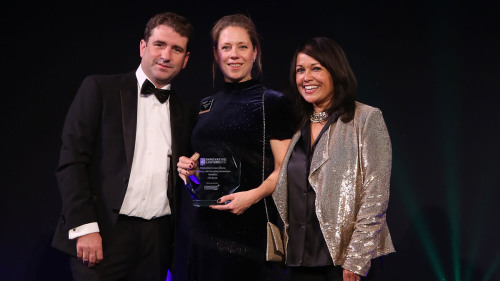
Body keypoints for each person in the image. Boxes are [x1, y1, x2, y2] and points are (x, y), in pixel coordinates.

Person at [52, 12, 196, 281]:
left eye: (176, 49)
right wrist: (85, 227)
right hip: (103, 234)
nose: (166, 55)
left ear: (185, 60)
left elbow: (188, 175)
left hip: (157, 242)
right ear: (143, 46)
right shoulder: (100, 89)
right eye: (159, 45)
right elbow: (72, 162)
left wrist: (195, 172)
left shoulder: (186, 112)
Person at [177, 14, 294, 281]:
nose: (234, 55)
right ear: (216, 54)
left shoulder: (272, 102)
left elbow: (284, 169)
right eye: (226, 47)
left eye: (242, 47)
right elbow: (209, 160)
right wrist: (190, 169)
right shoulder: (207, 105)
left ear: (255, 52)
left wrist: (251, 197)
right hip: (205, 229)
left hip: (248, 230)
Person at [272, 37, 395, 281]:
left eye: (316, 68)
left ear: (335, 71)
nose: (306, 77)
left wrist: (356, 258)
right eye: (300, 70)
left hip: (343, 266)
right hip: (297, 262)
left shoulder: (365, 119)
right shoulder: (296, 128)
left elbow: (376, 193)